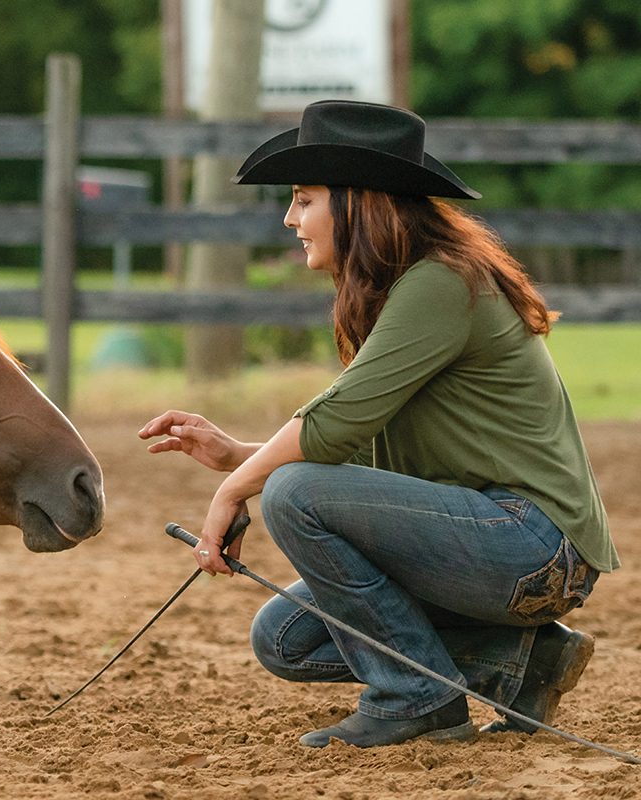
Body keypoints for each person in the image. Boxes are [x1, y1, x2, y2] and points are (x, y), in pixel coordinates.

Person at [139, 100, 618, 748]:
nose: (289, 219)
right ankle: (525, 661)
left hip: (534, 545)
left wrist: (234, 490)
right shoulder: (407, 289)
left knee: (289, 494)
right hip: (497, 540)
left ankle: (417, 698)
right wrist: (238, 457)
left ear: (359, 201)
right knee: (284, 637)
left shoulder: (443, 283)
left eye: (304, 200)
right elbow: (358, 457)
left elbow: (330, 433)